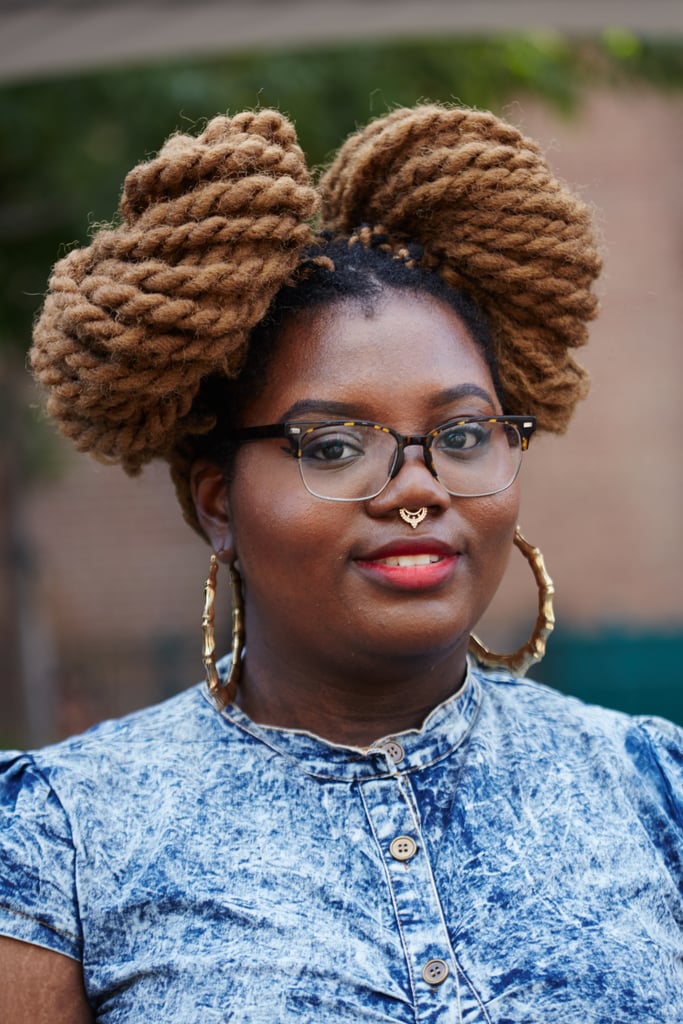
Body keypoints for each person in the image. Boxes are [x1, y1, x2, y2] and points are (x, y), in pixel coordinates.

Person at [0, 104, 681, 1024]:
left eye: (463, 433)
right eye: (330, 445)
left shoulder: (653, 789)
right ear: (217, 502)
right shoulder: (60, 837)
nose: (417, 488)